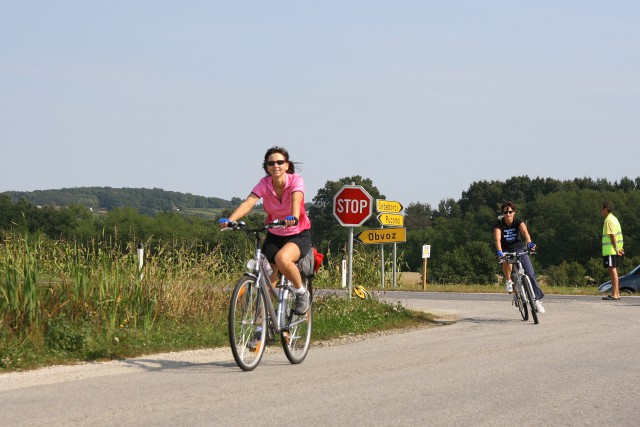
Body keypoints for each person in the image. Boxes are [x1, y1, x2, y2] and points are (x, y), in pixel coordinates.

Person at [218, 146, 311, 315]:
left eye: (280, 162)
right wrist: (230, 221)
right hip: (274, 234)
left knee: (282, 259)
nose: (276, 165)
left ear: (287, 165)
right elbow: (248, 203)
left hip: (297, 234)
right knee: (267, 283)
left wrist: (294, 217)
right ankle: (261, 329)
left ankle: (301, 293)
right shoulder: (264, 184)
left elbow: (296, 201)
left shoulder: (296, 180)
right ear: (266, 167)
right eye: (271, 163)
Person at [494, 201, 545, 313]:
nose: (508, 214)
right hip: (506, 249)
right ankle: (508, 281)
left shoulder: (518, 222)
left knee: (530, 274)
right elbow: (497, 239)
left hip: (519, 248)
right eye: (505, 212)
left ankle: (536, 300)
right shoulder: (499, 224)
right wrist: (499, 251)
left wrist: (529, 244)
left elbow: (525, 233)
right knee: (506, 261)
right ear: (503, 213)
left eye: (510, 212)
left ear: (514, 212)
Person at [600, 201, 624, 300]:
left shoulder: (609, 220)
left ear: (606, 209)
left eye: (601, 209)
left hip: (611, 250)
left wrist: (616, 248)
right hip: (613, 250)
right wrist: (620, 247)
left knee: (612, 270)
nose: (600, 211)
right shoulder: (614, 219)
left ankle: (615, 294)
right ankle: (616, 293)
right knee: (613, 270)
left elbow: (612, 235)